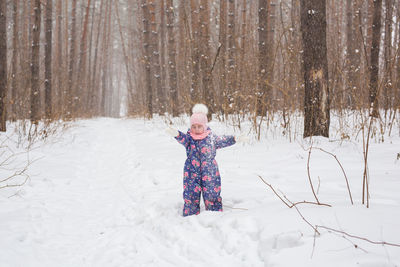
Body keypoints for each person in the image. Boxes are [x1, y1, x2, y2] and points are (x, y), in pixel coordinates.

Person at [166, 104, 238, 216]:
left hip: (209, 170)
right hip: (191, 170)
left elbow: (223, 140)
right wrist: (177, 134)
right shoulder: (189, 138)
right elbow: (182, 138)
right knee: (190, 193)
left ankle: (214, 212)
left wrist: (235, 138)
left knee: (212, 192)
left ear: (204, 126)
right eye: (193, 126)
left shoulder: (211, 138)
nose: (196, 129)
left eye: (199, 126)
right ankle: (191, 212)